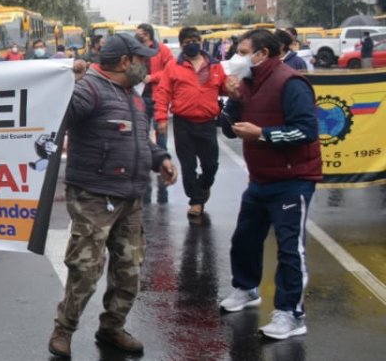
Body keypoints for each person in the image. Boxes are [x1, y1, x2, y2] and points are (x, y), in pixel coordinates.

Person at [48, 32, 178, 358]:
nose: (146, 65)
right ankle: (63, 330)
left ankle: (112, 328)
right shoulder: (89, 90)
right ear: (124, 62)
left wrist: (160, 158)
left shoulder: (132, 96)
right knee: (85, 269)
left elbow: (141, 142)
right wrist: (68, 83)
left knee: (129, 269)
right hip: (94, 196)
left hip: (130, 197)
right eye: (141, 59)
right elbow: (54, 115)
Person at [218, 29, 320, 340]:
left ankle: (290, 314)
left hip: (293, 180)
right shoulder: (247, 84)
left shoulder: (290, 83)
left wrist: (263, 134)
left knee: (290, 250)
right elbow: (228, 130)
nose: (237, 57)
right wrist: (233, 102)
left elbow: (307, 130)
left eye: (243, 51)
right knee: (245, 238)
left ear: (262, 54)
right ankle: (247, 288)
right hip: (261, 178)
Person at [154, 26, 227, 218]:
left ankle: (203, 186)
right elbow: (163, 93)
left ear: (200, 42)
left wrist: (235, 87)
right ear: (181, 45)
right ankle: (195, 201)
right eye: (187, 42)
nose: (192, 44)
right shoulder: (173, 67)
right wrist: (161, 118)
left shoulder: (214, 65)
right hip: (183, 124)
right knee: (188, 166)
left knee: (211, 164)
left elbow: (226, 87)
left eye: (195, 41)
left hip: (207, 123)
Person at [135, 23, 176, 150]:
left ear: (147, 35)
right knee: (141, 130)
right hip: (139, 96)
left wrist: (152, 77)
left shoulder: (163, 50)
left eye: (138, 33)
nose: (136, 36)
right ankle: (145, 155)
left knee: (161, 129)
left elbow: (170, 70)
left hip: (158, 96)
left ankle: (162, 156)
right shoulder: (136, 50)